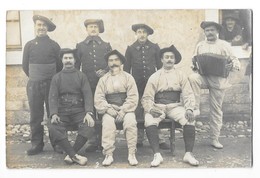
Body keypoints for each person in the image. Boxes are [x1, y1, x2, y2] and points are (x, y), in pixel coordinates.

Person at [142, 45, 199, 167]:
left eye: (171, 57)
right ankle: (157, 155)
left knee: (189, 119)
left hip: (175, 106)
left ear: (175, 60)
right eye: (166, 57)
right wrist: (150, 109)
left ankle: (188, 154)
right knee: (149, 120)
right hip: (158, 106)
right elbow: (147, 97)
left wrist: (189, 108)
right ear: (162, 60)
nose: (169, 59)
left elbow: (188, 94)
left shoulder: (181, 75)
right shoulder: (155, 76)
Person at [188, 21, 241, 149]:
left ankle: (214, 138)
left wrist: (231, 65)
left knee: (216, 110)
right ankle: (195, 107)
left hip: (218, 81)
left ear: (217, 32)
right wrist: (194, 65)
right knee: (192, 77)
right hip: (205, 77)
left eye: (212, 30)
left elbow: (235, 61)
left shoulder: (224, 45)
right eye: (207, 30)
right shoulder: (200, 45)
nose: (209, 33)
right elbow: (194, 61)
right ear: (204, 32)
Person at [124, 23, 169, 149]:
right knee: (138, 109)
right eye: (139, 32)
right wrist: (128, 85)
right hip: (136, 84)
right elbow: (127, 70)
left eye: (144, 32)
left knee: (154, 108)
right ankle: (139, 138)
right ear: (136, 34)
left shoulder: (154, 47)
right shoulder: (131, 48)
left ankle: (159, 139)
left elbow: (160, 67)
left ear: (148, 34)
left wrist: (161, 82)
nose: (142, 34)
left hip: (152, 84)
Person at [22, 15, 63, 155]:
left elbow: (59, 66)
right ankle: (37, 144)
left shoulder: (54, 45)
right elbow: (25, 66)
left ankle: (57, 143)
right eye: (39, 25)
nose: (41, 28)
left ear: (48, 28)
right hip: (34, 85)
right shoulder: (29, 45)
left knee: (54, 114)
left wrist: (49, 80)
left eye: (44, 26)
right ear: (35, 26)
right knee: (35, 115)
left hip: (51, 85)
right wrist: (36, 78)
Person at [47, 48, 95, 165]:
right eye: (65, 58)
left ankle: (70, 154)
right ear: (62, 60)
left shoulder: (81, 76)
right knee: (52, 125)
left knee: (89, 124)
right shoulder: (57, 77)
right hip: (62, 110)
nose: (68, 60)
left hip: (79, 110)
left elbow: (88, 94)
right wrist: (54, 113)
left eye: (70, 58)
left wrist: (88, 112)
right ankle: (74, 155)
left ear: (74, 60)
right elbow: (52, 97)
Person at [95, 50, 139, 166]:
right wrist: (109, 109)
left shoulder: (128, 77)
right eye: (110, 60)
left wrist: (123, 110)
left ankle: (131, 153)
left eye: (116, 60)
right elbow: (99, 98)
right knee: (108, 123)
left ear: (121, 62)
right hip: (109, 110)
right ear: (107, 63)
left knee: (130, 122)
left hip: (126, 109)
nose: (113, 63)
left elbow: (133, 97)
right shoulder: (103, 79)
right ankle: (108, 154)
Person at [76, 19, 112, 152]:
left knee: (103, 112)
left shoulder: (106, 45)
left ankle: (104, 140)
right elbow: (76, 67)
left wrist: (105, 71)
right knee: (90, 112)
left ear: (99, 30)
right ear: (86, 29)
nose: (93, 29)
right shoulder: (80, 46)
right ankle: (92, 141)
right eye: (90, 27)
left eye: (95, 27)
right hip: (87, 86)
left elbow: (113, 63)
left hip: (104, 85)